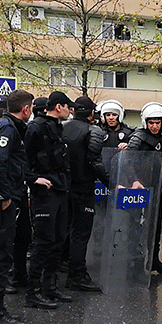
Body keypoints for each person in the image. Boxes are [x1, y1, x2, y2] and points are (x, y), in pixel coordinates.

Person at [0, 89, 36, 324]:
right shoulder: (7, 129)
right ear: (26, 108)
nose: (31, 111)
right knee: (1, 256)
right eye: (31, 107)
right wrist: (4, 194)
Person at [24, 91, 74, 309]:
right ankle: (33, 293)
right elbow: (22, 158)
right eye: (67, 107)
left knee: (57, 240)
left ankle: (49, 287)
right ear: (59, 107)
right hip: (45, 194)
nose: (70, 111)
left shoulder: (57, 127)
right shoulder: (36, 127)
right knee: (42, 243)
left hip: (60, 190)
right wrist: (34, 179)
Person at [62, 96, 108, 290]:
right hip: (83, 187)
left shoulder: (62, 127)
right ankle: (77, 275)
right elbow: (94, 161)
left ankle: (64, 266)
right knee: (81, 233)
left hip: (64, 187)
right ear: (91, 113)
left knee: (65, 230)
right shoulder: (92, 131)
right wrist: (111, 183)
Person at [126, 101, 162, 274]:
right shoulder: (138, 138)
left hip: (155, 190)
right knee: (136, 227)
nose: (154, 126)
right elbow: (128, 160)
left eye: (157, 122)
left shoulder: (161, 138)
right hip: (139, 191)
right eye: (151, 123)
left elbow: (161, 157)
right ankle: (135, 262)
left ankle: (154, 260)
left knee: (154, 227)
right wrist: (134, 180)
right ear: (145, 122)